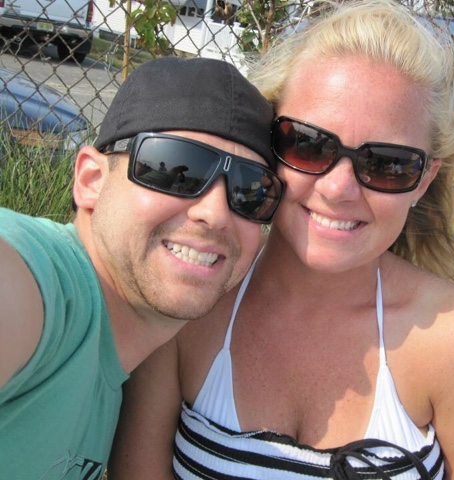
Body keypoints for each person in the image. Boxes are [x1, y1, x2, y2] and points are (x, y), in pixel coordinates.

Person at [108, 2, 454, 479]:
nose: (339, 188)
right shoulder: (192, 299)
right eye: (308, 143)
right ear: (268, 141)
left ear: (424, 180)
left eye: (387, 164)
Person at [0, 56, 285, 479]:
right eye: (173, 169)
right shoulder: (43, 290)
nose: (215, 213)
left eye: (249, 191)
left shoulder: (112, 375)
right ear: (91, 180)